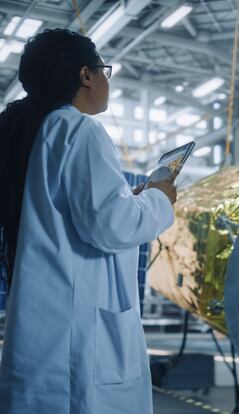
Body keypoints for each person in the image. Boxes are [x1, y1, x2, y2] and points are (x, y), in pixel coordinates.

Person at [0, 29, 177, 414]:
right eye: (104, 71)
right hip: (75, 337)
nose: (106, 81)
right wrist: (159, 198)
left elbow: (74, 214)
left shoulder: (30, 131)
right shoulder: (77, 130)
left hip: (42, 325)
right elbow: (113, 227)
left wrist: (125, 202)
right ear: (85, 76)